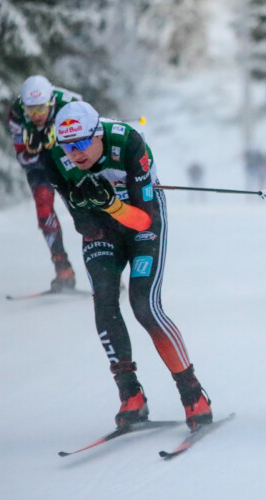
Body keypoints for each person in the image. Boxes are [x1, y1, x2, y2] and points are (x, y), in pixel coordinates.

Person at [44, 101, 213, 431]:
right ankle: (130, 395)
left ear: (98, 136)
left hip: (140, 220)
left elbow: (144, 218)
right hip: (103, 226)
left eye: (81, 143)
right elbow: (85, 227)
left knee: (143, 305)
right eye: (68, 145)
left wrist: (112, 203)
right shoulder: (55, 157)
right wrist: (87, 207)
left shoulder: (128, 143)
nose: (75, 153)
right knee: (104, 302)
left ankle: (193, 393)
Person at [7, 75, 78, 291]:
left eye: (40, 109)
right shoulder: (17, 113)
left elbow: (89, 147)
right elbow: (22, 158)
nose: (35, 116)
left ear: (52, 103)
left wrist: (58, 144)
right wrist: (34, 149)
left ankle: (109, 271)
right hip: (40, 166)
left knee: (85, 210)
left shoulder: (71, 105)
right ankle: (62, 268)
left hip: (70, 161)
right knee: (44, 211)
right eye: (31, 110)